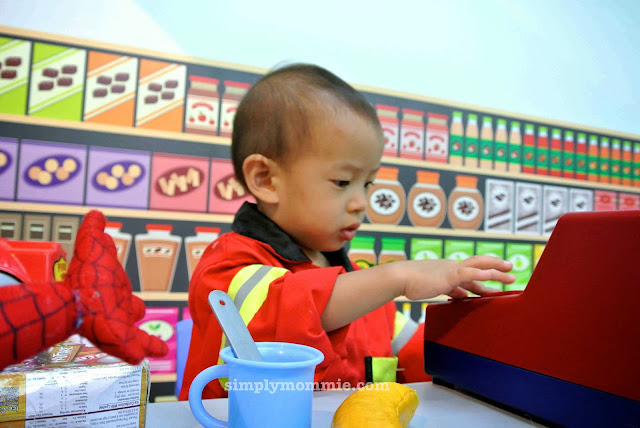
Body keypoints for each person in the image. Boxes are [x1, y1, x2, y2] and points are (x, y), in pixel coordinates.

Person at [179, 64, 514, 399]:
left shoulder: (361, 286)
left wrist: (483, 338)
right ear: (265, 180)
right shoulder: (228, 266)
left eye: (367, 184)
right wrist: (397, 276)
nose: (360, 203)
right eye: (342, 182)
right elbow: (287, 310)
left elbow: (418, 353)